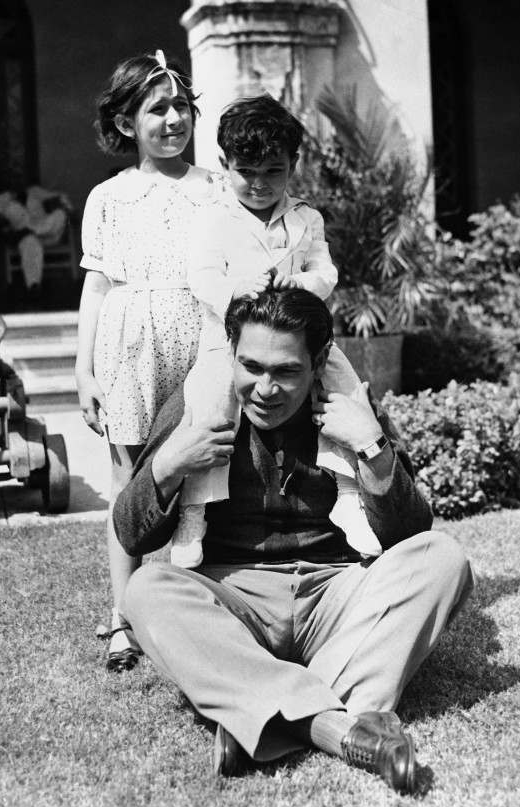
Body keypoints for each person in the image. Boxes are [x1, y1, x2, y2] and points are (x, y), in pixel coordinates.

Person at [113, 288, 474, 793]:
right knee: (147, 590)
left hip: (337, 594)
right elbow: (130, 532)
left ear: (319, 362)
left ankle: (257, 713)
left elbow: (409, 534)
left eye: (285, 372)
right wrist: (170, 466)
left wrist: (370, 445)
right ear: (231, 355)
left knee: (443, 557)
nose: (264, 388)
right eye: (251, 367)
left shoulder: (348, 405)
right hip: (235, 600)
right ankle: (341, 725)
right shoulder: (197, 403)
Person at [170, 95, 381, 570]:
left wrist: (302, 282)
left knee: (346, 387)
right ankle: (194, 510)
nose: (260, 184)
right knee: (207, 400)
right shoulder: (213, 217)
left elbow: (325, 272)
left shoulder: (307, 217)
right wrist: (237, 290)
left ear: (294, 165)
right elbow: (202, 277)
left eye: (274, 171)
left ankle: (349, 493)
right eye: (247, 172)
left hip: (296, 341)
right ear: (225, 164)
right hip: (229, 346)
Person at [75, 50, 227, 672]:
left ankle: (202, 608)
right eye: (155, 109)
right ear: (126, 123)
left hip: (198, 340)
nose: (172, 120)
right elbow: (97, 286)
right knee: (129, 479)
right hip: (129, 345)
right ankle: (122, 616)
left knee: (202, 473)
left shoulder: (214, 189)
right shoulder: (109, 198)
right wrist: (84, 369)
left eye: (180, 107)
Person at [0, 184, 72, 296]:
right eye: (14, 175)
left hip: (48, 234)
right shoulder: (0, 200)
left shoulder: (35, 192)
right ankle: (33, 286)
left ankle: (33, 230)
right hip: (24, 238)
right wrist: (9, 229)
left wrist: (63, 205)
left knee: (60, 214)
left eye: (20, 175)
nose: (18, 179)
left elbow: (61, 197)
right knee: (30, 242)